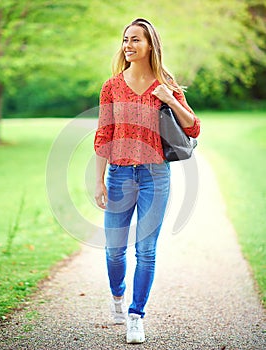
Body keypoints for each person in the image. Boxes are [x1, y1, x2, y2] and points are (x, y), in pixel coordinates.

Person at [94, 18, 200, 344]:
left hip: (156, 175)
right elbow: (103, 135)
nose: (128, 45)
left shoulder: (166, 84)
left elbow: (193, 128)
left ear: (150, 44)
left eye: (135, 40)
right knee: (113, 251)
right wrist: (99, 182)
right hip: (120, 173)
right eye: (126, 40)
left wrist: (169, 99)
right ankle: (117, 296)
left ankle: (136, 315)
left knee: (146, 251)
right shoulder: (112, 86)